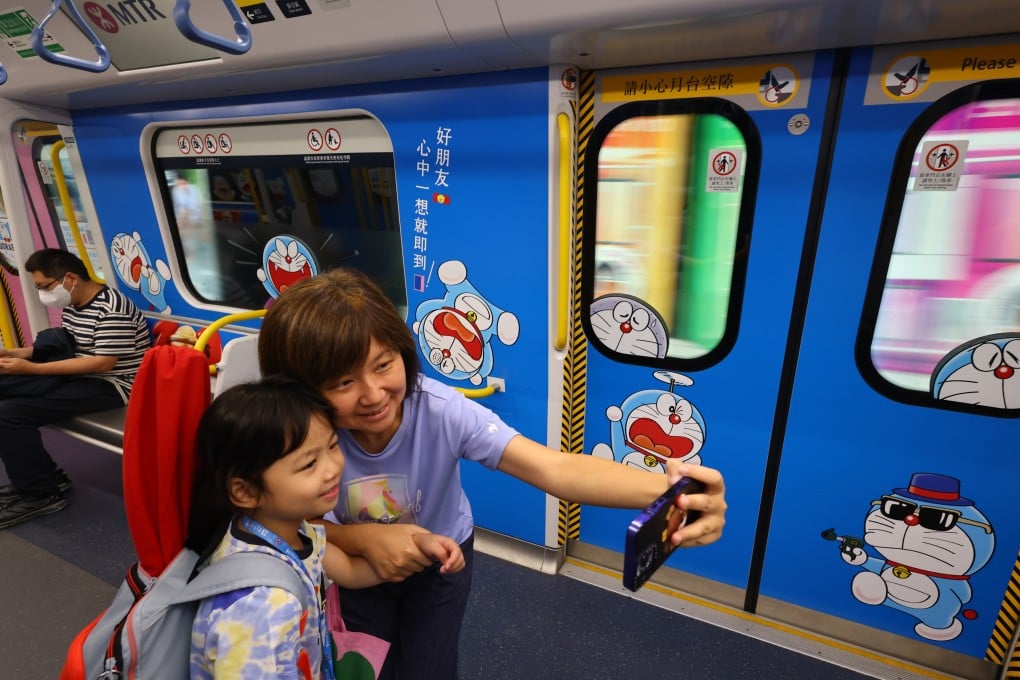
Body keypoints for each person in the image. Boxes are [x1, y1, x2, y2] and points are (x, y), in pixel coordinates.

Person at [258, 267, 728, 680]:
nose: (374, 393)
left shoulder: (440, 410)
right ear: (303, 391)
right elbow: (280, 520)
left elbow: (554, 467)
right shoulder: (298, 436)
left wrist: (675, 488)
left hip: (442, 564)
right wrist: (363, 541)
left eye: (384, 365)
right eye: (343, 382)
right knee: (363, 666)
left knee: (431, 667)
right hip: (349, 569)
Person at [187, 377, 466, 679]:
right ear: (245, 492)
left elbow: (347, 569)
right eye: (309, 464)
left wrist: (419, 547)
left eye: (333, 445)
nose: (333, 468)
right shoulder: (261, 608)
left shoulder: (291, 532)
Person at [0, 248, 149, 529]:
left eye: (45, 286)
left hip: (115, 386)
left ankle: (40, 494)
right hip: (85, 378)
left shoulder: (112, 307)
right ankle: (44, 477)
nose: (43, 294)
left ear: (70, 279)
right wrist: (20, 354)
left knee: (9, 414)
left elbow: (102, 364)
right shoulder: (75, 304)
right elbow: (70, 347)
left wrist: (32, 370)